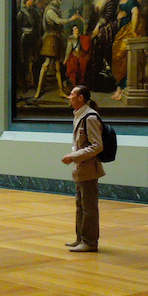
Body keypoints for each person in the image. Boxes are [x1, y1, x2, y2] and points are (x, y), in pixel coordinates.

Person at [61, 85, 104, 252]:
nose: (69, 96)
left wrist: (74, 156)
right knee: (80, 205)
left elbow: (97, 146)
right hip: (81, 168)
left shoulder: (90, 117)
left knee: (89, 207)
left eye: (72, 94)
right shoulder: (80, 115)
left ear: (81, 98)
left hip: (89, 169)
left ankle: (90, 242)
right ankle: (81, 238)